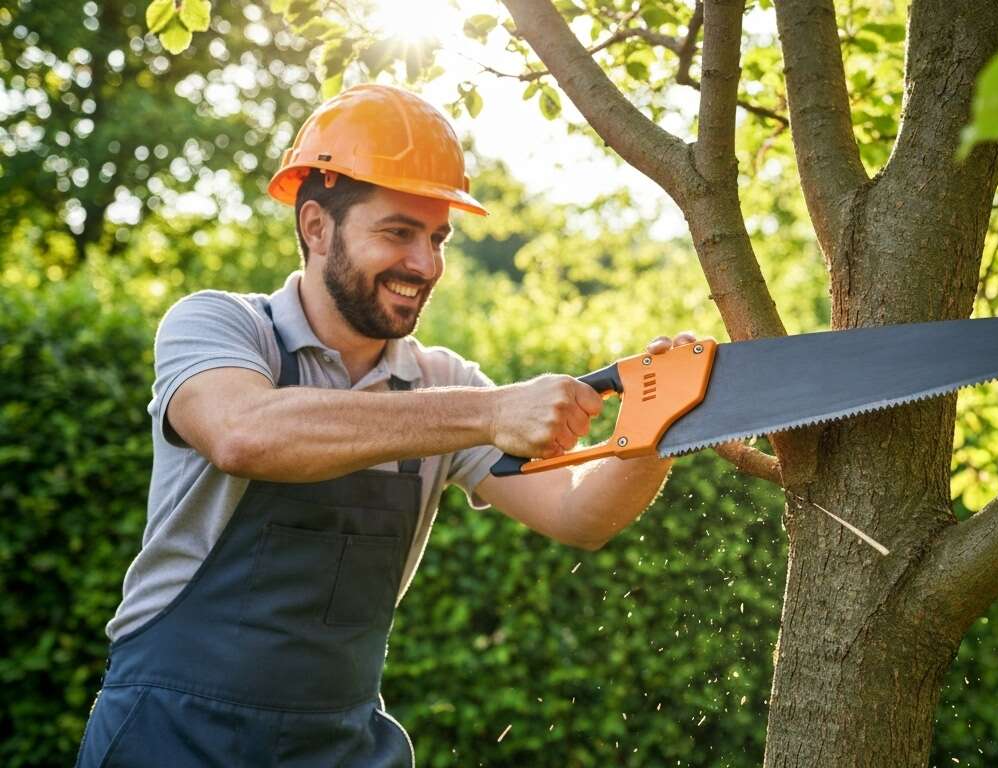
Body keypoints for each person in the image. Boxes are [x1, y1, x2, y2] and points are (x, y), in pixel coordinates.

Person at [75, 83, 694, 766]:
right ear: (316, 227)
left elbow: (578, 516)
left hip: (339, 743)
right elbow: (243, 433)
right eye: (398, 233)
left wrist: (656, 430)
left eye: (437, 239)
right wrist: (489, 412)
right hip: (171, 732)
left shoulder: (442, 380)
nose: (425, 265)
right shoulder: (220, 326)